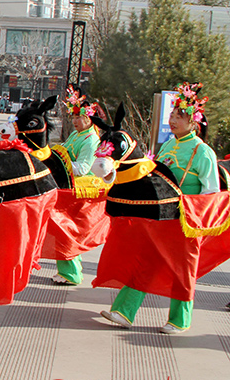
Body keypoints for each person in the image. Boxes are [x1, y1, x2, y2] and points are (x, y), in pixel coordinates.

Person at [101, 82, 218, 335]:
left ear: (194, 122)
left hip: (186, 219)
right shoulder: (167, 145)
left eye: (179, 116)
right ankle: (123, 311)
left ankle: (179, 320)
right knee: (146, 261)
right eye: (172, 115)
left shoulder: (203, 151)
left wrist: (193, 214)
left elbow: (211, 193)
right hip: (161, 216)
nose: (173, 120)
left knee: (183, 269)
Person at [51, 86, 100, 285]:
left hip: (80, 191)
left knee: (66, 230)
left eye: (80, 117)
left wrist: (61, 161)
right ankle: (69, 271)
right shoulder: (77, 135)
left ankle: (70, 273)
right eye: (74, 116)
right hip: (68, 187)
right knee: (63, 229)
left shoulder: (91, 140)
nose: (75, 121)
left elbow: (83, 168)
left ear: (90, 118)